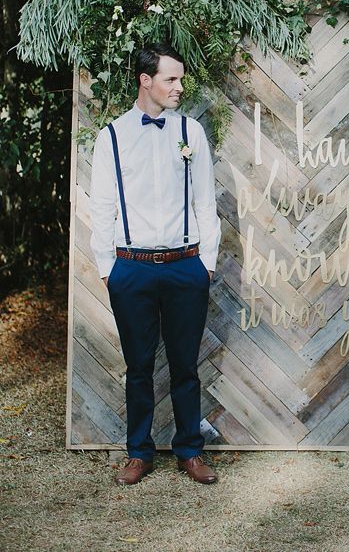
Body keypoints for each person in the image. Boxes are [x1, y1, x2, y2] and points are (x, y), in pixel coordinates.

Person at [90, 43, 221, 486]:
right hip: (132, 268)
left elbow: (206, 200)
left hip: (186, 266)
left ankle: (189, 451)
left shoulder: (192, 132)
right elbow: (102, 206)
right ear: (146, 80)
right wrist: (109, 269)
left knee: (185, 365)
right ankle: (138, 453)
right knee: (139, 366)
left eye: (180, 79)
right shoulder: (111, 136)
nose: (179, 87)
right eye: (171, 79)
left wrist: (206, 263)